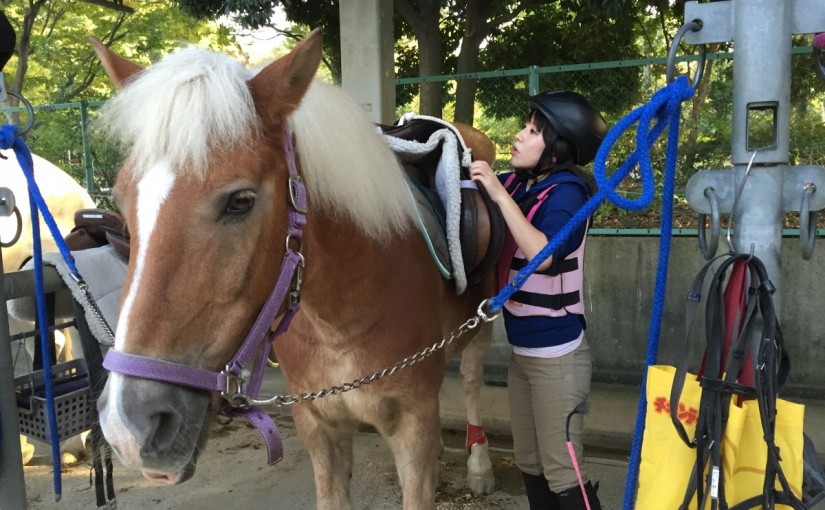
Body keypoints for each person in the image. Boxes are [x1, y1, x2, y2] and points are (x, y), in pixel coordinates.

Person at [469, 90, 607, 510]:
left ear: (557, 148)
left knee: (564, 471)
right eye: (524, 127)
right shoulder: (521, 184)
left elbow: (544, 256)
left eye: (532, 131)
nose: (518, 136)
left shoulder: (568, 193)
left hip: (558, 359)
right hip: (524, 354)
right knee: (529, 462)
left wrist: (496, 191)